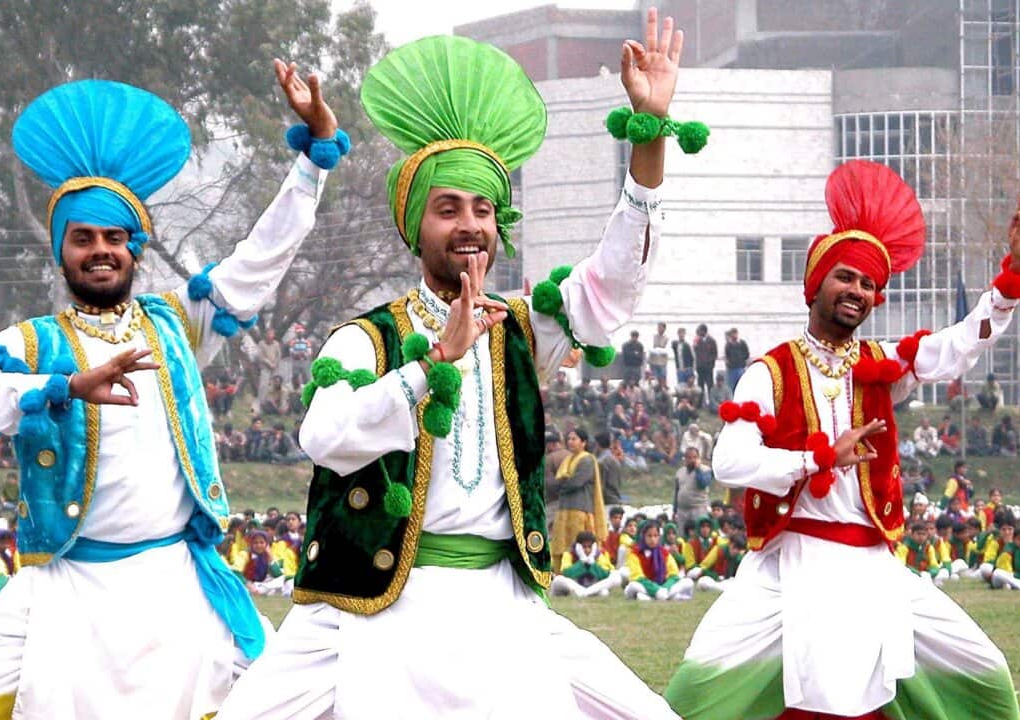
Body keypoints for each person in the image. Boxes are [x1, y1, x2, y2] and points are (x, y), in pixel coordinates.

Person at [221, 20, 688, 718]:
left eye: (483, 209)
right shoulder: (366, 338)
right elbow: (323, 436)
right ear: (415, 226)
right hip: (373, 607)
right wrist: (430, 364)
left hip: (501, 603)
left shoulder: (527, 327)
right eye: (448, 209)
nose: (469, 224)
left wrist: (649, 135)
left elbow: (612, 288)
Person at [0, 67, 341, 719]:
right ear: (61, 252)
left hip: (177, 580)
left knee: (272, 704)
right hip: (63, 581)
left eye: (113, 238)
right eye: (83, 238)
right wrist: (61, 387)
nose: (100, 251)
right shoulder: (34, 344)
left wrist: (312, 163)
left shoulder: (177, 323)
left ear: (134, 247)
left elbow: (258, 262)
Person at [664, 163, 1020, 718]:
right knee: (700, 690)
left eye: (868, 284)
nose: (857, 291)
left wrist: (1009, 283)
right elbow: (729, 461)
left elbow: (957, 345)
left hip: (874, 566)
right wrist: (813, 458)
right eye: (845, 277)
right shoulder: (771, 371)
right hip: (789, 568)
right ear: (816, 284)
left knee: (983, 672)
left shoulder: (881, 363)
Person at [550, 429, 607, 572]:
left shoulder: (587, 460)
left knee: (579, 545)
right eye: (568, 439)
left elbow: (576, 482)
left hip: (580, 509)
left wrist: (561, 484)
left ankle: (583, 572)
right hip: (564, 510)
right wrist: (562, 483)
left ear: (584, 442)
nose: (570, 442)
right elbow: (559, 482)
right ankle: (560, 572)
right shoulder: (567, 460)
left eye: (574, 439)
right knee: (561, 543)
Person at [624, 520, 693, 601]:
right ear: (643, 536)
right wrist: (656, 590)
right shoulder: (635, 553)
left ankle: (653, 597)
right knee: (633, 585)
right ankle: (668, 596)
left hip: (663, 586)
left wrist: (664, 588)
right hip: (645, 586)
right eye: (649, 536)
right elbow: (637, 577)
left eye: (655, 536)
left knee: (688, 582)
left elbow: (673, 575)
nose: (653, 539)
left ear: (659, 537)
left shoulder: (664, 553)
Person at [552, 530, 623, 597]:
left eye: (589, 547)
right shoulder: (569, 554)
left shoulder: (599, 555)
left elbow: (604, 575)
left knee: (616, 576)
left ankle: (586, 593)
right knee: (558, 579)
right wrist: (582, 562)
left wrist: (592, 563)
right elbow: (566, 573)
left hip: (594, 585)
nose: (587, 550)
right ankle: (587, 592)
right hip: (575, 586)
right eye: (584, 547)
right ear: (578, 547)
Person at [673, 447, 712, 529]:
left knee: (698, 532)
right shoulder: (680, 472)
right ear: (685, 459)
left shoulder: (706, 470)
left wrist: (698, 469)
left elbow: (703, 483)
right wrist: (674, 510)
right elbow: (677, 492)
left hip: (698, 508)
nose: (692, 460)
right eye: (689, 458)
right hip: (682, 510)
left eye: (695, 457)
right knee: (682, 534)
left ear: (698, 458)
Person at [595, 431, 623, 510]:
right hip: (615, 499)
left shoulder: (601, 462)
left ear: (597, 444)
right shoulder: (614, 459)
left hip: (606, 501)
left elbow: (600, 486)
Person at [693, 324, 718, 403]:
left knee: (710, 384)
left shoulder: (711, 341)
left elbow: (714, 354)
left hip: (708, 367)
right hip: (700, 367)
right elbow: (695, 353)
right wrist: (695, 345)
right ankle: (701, 403)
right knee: (700, 385)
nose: (698, 333)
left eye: (699, 331)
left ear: (704, 331)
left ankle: (711, 402)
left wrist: (711, 364)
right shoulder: (698, 340)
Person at [723, 328, 749, 392]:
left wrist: (741, 359)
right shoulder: (728, 345)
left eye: (735, 334)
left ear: (737, 334)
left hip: (740, 367)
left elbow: (747, 354)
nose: (733, 335)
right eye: (732, 334)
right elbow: (727, 355)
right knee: (731, 387)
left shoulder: (742, 343)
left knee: (741, 386)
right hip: (731, 369)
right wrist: (728, 363)